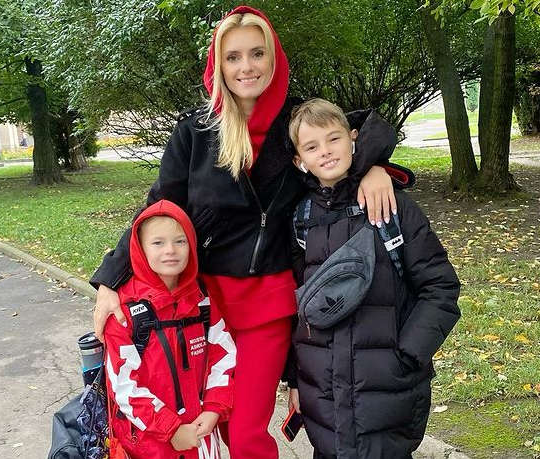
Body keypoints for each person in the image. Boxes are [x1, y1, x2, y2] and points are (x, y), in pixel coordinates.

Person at [91, 6, 410, 459]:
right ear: (218, 66)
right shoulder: (196, 131)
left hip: (268, 303)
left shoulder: (293, 121)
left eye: (257, 54)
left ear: (273, 58)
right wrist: (110, 279)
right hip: (202, 307)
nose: (246, 67)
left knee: (244, 435)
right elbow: (158, 210)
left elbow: (360, 130)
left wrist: (373, 166)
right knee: (205, 428)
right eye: (233, 57)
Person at [285, 99, 461, 459]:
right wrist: (296, 378)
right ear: (300, 160)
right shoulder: (300, 220)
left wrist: (408, 354)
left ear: (353, 138)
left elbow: (440, 287)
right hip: (324, 396)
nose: (326, 151)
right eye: (312, 147)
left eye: (333, 139)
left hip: (388, 391)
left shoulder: (393, 205)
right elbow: (296, 305)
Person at [104, 199, 236, 459]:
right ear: (139, 249)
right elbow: (123, 386)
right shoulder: (124, 312)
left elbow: (224, 356)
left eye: (180, 241)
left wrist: (214, 407)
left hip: (201, 432)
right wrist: (171, 429)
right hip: (148, 443)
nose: (170, 250)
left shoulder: (202, 301)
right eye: (158, 243)